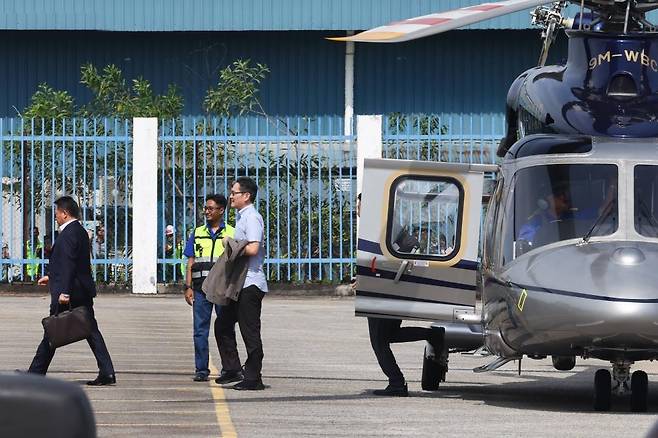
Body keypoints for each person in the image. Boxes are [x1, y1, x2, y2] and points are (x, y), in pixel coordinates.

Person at [356, 193, 443, 396]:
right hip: (389, 288)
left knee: (379, 341)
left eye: (359, 205)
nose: (357, 209)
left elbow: (390, 257)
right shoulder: (388, 226)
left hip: (383, 292)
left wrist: (374, 278)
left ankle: (396, 383)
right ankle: (432, 334)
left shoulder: (383, 229)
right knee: (390, 335)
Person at [26, 196, 116, 385]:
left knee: (52, 329)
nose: (56, 216)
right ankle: (107, 372)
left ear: (65, 213)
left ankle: (35, 374)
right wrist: (51, 276)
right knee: (90, 330)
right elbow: (73, 262)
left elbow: (68, 264)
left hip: (70, 292)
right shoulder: (80, 231)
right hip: (80, 289)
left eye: (57, 213)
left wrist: (64, 291)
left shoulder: (68, 234)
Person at [214, 177, 268, 390]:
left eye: (234, 193)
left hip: (250, 284)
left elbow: (253, 248)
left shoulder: (252, 218)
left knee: (250, 331)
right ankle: (232, 368)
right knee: (223, 325)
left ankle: (254, 377)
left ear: (246, 196)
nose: (231, 196)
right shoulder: (241, 217)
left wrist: (230, 244)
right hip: (239, 283)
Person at [183, 195, 235, 382]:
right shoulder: (197, 233)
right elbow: (190, 261)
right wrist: (187, 287)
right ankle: (201, 369)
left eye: (211, 208)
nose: (207, 211)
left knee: (225, 328)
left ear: (221, 210)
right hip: (201, 289)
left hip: (222, 289)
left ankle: (229, 368)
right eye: (205, 208)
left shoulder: (231, 233)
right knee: (200, 330)